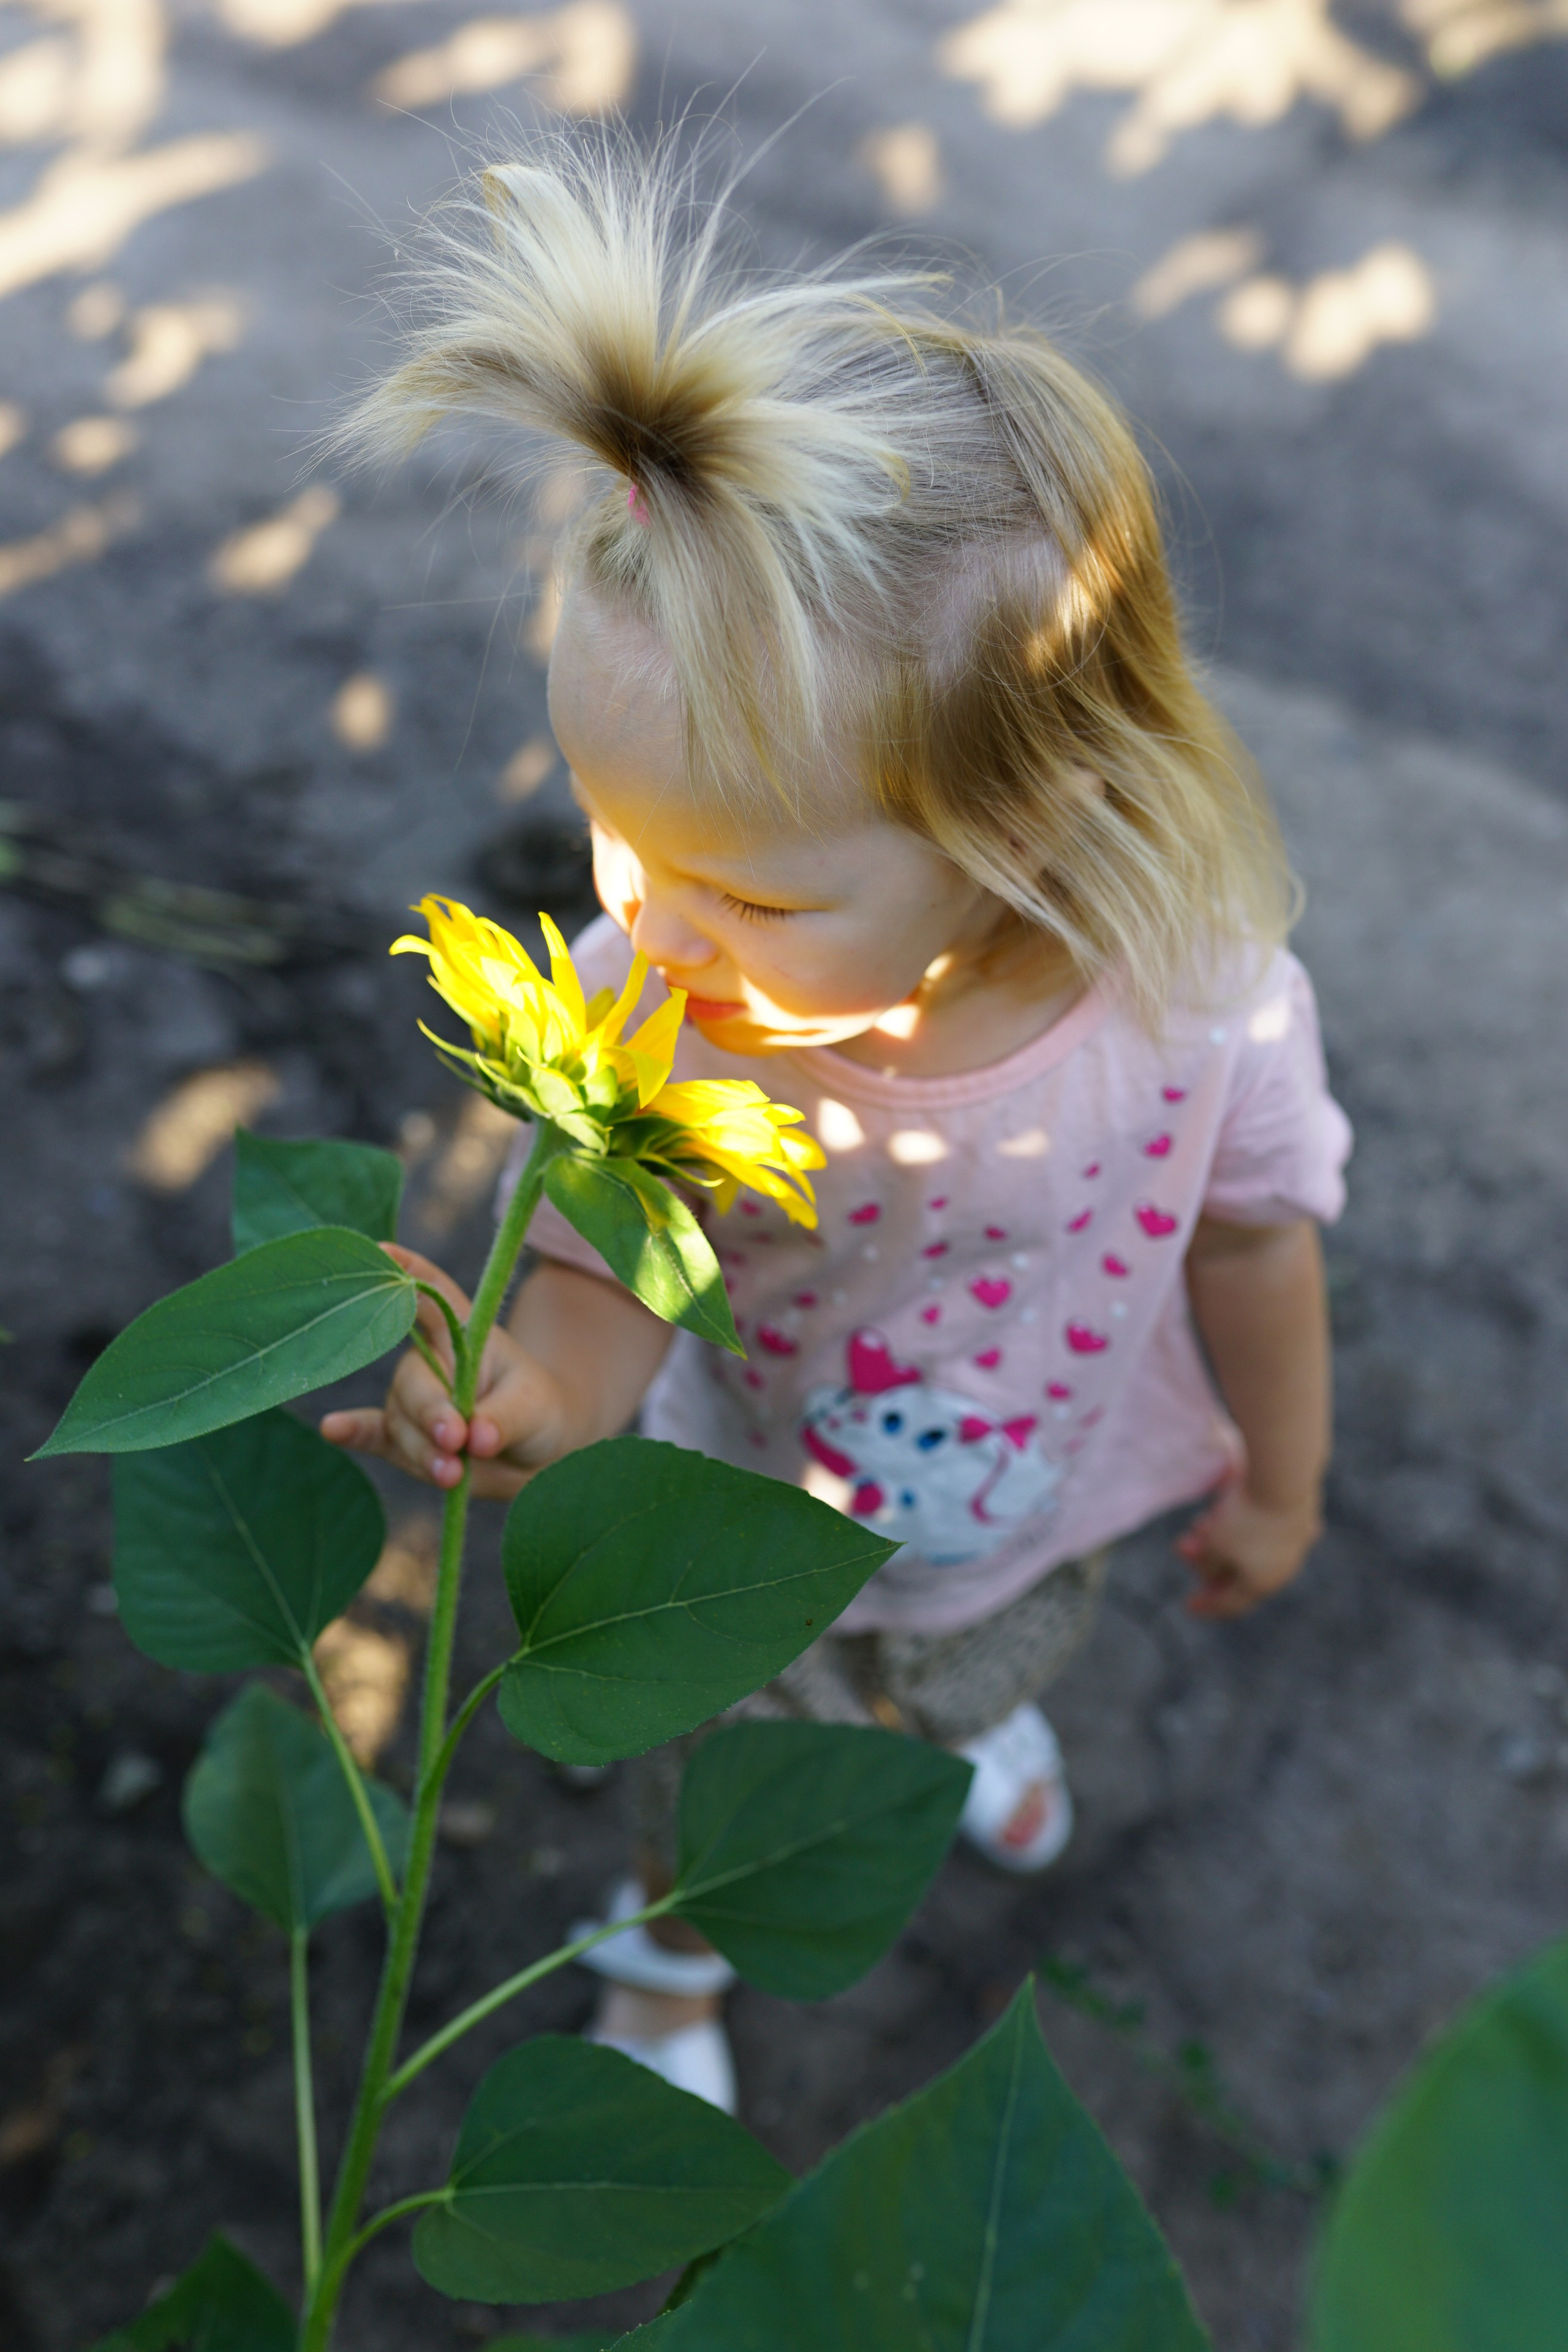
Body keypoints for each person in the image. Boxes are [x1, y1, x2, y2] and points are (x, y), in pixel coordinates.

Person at [322, 135, 1351, 2114]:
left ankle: (960, 1744)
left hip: (1040, 1517)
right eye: (623, 836)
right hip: (740, 1544)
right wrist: (534, 1404)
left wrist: (1284, 1478)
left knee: (974, 1684)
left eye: (756, 897)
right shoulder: (669, 1013)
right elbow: (606, 1289)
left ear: (1025, 822)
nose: (654, 926)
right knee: (725, 1807)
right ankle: (668, 1979)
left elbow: (1253, 1241)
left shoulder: (1204, 1005)